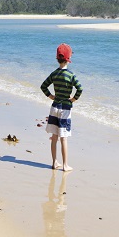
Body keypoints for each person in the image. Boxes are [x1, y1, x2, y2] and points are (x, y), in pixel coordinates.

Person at [40, 43, 83, 171]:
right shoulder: (71, 75)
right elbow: (80, 88)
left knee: (54, 137)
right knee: (63, 138)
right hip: (65, 109)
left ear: (57, 58)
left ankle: (54, 162)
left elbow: (43, 86)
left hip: (54, 107)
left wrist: (51, 96)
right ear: (68, 59)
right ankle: (65, 165)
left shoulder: (54, 74)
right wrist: (74, 99)